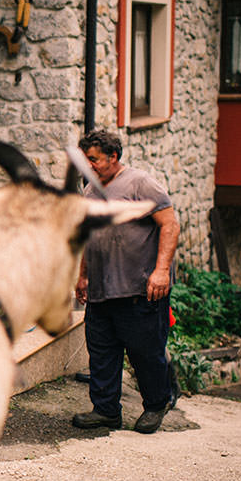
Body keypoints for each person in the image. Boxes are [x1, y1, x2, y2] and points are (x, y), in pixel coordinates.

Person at [73, 130, 180, 434]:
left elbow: (169, 224)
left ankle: (156, 404)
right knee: (102, 353)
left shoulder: (139, 183)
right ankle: (106, 411)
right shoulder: (89, 191)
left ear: (113, 157)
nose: (88, 166)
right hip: (101, 290)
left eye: (93, 159)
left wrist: (161, 271)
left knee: (145, 352)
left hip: (139, 287)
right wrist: (83, 276)